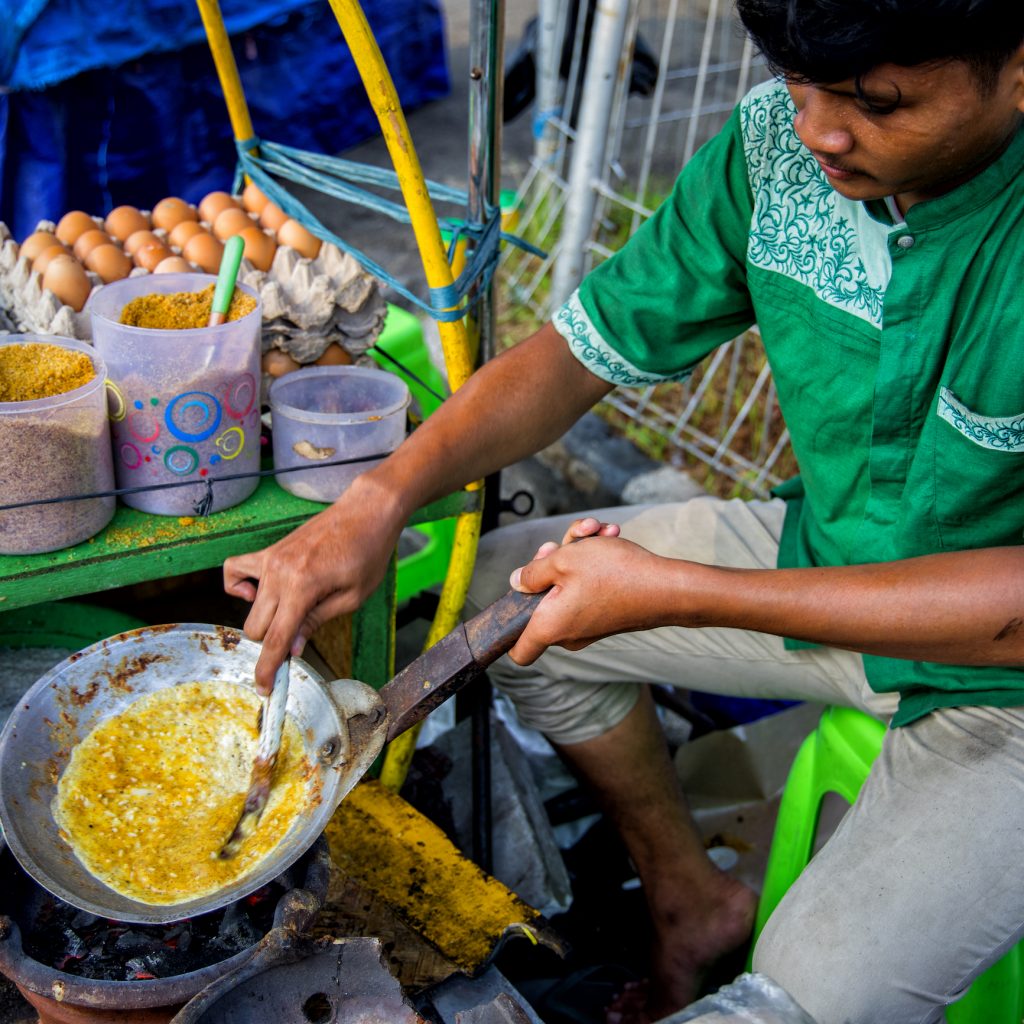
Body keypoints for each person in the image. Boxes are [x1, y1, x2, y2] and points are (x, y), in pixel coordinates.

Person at [224, 1, 1024, 1020]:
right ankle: (690, 899)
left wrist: (682, 593)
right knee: (508, 605)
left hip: (1000, 687)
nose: (819, 131)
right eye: (797, 82)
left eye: (875, 101)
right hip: (828, 560)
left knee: (803, 995)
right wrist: (380, 497)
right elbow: (569, 356)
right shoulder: (776, 151)